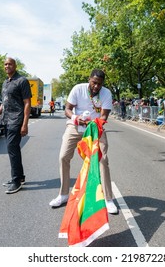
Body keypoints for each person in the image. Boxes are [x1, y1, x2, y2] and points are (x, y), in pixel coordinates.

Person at [49, 69, 118, 214]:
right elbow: (68, 109)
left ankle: (108, 199)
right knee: (63, 157)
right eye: (94, 83)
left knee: (103, 160)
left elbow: (104, 116)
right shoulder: (77, 89)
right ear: (89, 79)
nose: (96, 87)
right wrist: (76, 118)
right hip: (75, 126)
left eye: (99, 84)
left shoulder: (106, 93)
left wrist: (93, 124)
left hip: (94, 128)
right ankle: (63, 195)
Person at [0, 57, 32, 194]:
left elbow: (27, 103)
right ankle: (19, 177)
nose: (7, 66)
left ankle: (16, 181)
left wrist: (25, 124)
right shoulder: (5, 83)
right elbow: (4, 102)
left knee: (12, 149)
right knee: (13, 149)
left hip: (16, 120)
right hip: (6, 120)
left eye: (10, 64)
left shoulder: (22, 81)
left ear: (15, 66)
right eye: (5, 64)